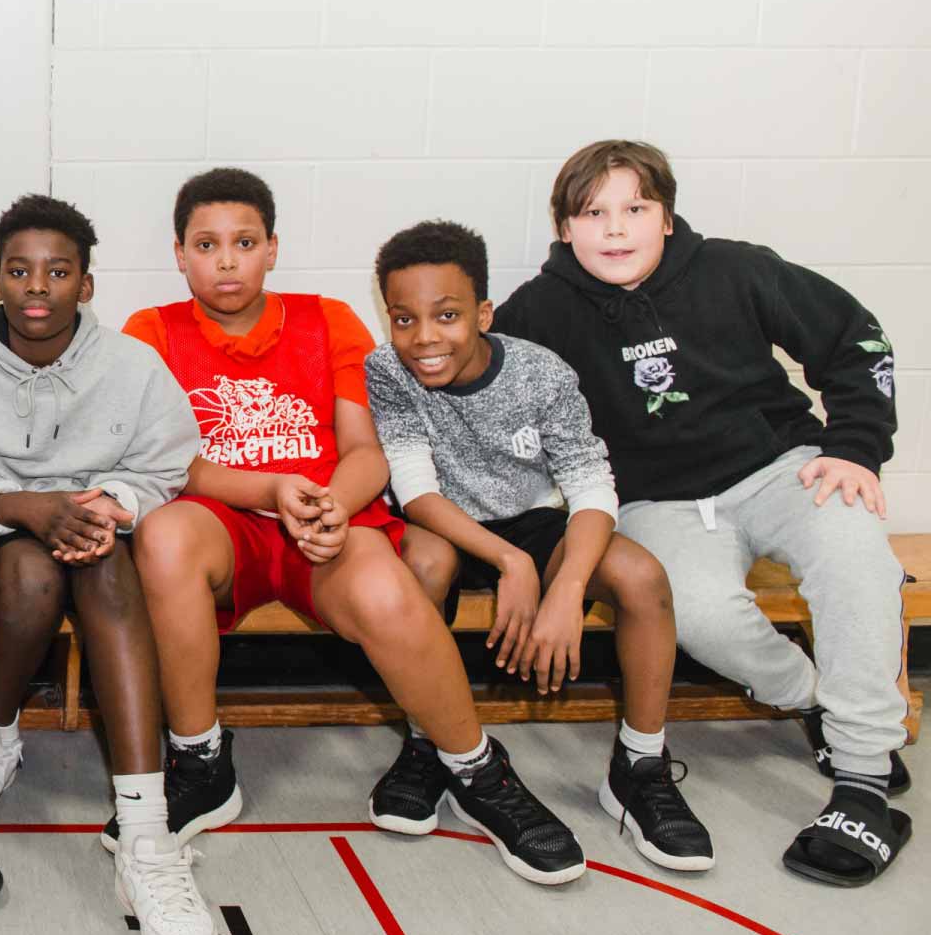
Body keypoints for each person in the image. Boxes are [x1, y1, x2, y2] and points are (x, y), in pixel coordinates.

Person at [127, 168, 586, 886]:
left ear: (272, 248)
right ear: (179, 254)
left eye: (243, 242)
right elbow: (166, 464)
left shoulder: (326, 318)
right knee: (162, 537)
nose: (225, 260)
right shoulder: (149, 331)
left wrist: (334, 504)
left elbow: (367, 450)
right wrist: (273, 489)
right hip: (227, 518)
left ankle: (477, 768)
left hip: (326, 516)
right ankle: (200, 759)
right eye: (206, 244)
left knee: (384, 591)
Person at [497, 139, 911, 887]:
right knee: (701, 616)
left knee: (857, 557)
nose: (616, 229)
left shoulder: (736, 268)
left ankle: (863, 781)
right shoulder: (538, 313)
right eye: (594, 213)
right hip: (654, 502)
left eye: (635, 208)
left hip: (780, 467)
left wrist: (855, 445)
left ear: (666, 216)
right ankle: (814, 699)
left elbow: (859, 339)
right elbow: (485, 412)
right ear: (564, 227)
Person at [0, 193, 217, 935]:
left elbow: (168, 464)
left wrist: (111, 507)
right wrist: (21, 507)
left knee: (110, 572)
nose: (37, 288)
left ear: (86, 284)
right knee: (24, 573)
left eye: (58, 271)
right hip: (8, 534)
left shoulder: (132, 366)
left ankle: (147, 830)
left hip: (98, 531)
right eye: (19, 271)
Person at [366, 219, 712, 872]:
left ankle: (640, 766)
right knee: (421, 560)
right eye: (404, 319)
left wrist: (566, 588)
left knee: (641, 578)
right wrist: (510, 563)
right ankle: (429, 742)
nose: (425, 338)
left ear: (484, 313)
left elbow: (590, 487)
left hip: (533, 516)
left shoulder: (539, 373)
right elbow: (415, 493)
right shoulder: (387, 369)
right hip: (445, 521)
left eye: (446, 315)